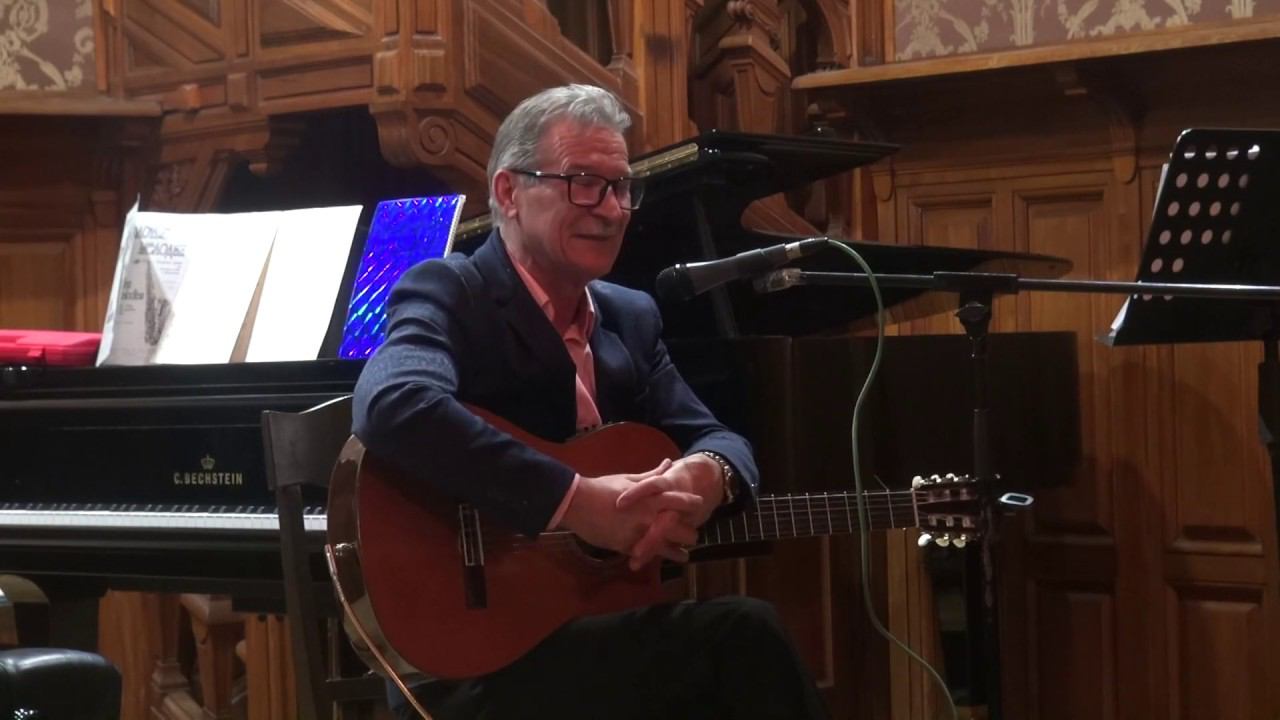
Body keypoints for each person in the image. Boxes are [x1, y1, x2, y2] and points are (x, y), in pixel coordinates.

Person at [353, 83, 828, 720]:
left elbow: (721, 439)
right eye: (583, 182)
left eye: (622, 187)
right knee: (744, 636)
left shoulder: (630, 317)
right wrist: (578, 504)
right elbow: (393, 403)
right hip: (473, 657)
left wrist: (706, 475)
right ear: (508, 192)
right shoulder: (450, 290)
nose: (610, 209)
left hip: (594, 632)